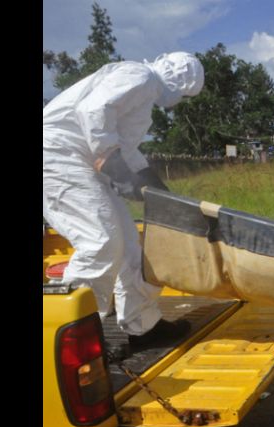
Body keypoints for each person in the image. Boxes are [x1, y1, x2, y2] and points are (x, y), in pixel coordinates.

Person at [43, 52, 205, 351]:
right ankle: (72, 336)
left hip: (79, 161)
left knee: (130, 247)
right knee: (101, 241)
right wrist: (108, 158)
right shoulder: (139, 76)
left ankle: (143, 326)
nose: (178, 101)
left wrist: (161, 194)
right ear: (180, 85)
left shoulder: (141, 98)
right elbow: (94, 110)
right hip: (58, 157)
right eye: (183, 96)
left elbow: (127, 151)